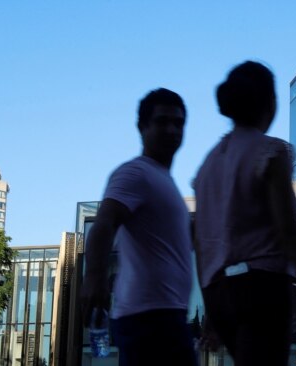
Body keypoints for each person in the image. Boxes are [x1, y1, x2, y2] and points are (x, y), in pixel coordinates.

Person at [193, 61, 296, 366]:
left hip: (219, 294)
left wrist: (210, 310)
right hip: (262, 290)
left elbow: (204, 242)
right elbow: (288, 232)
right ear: (269, 103)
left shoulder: (208, 166)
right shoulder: (270, 153)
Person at [81, 88, 197, 365]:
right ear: (142, 127)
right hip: (148, 317)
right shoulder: (134, 173)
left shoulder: (165, 183)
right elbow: (104, 223)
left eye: (178, 123)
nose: (171, 130)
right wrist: (94, 279)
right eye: (162, 121)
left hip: (168, 314)